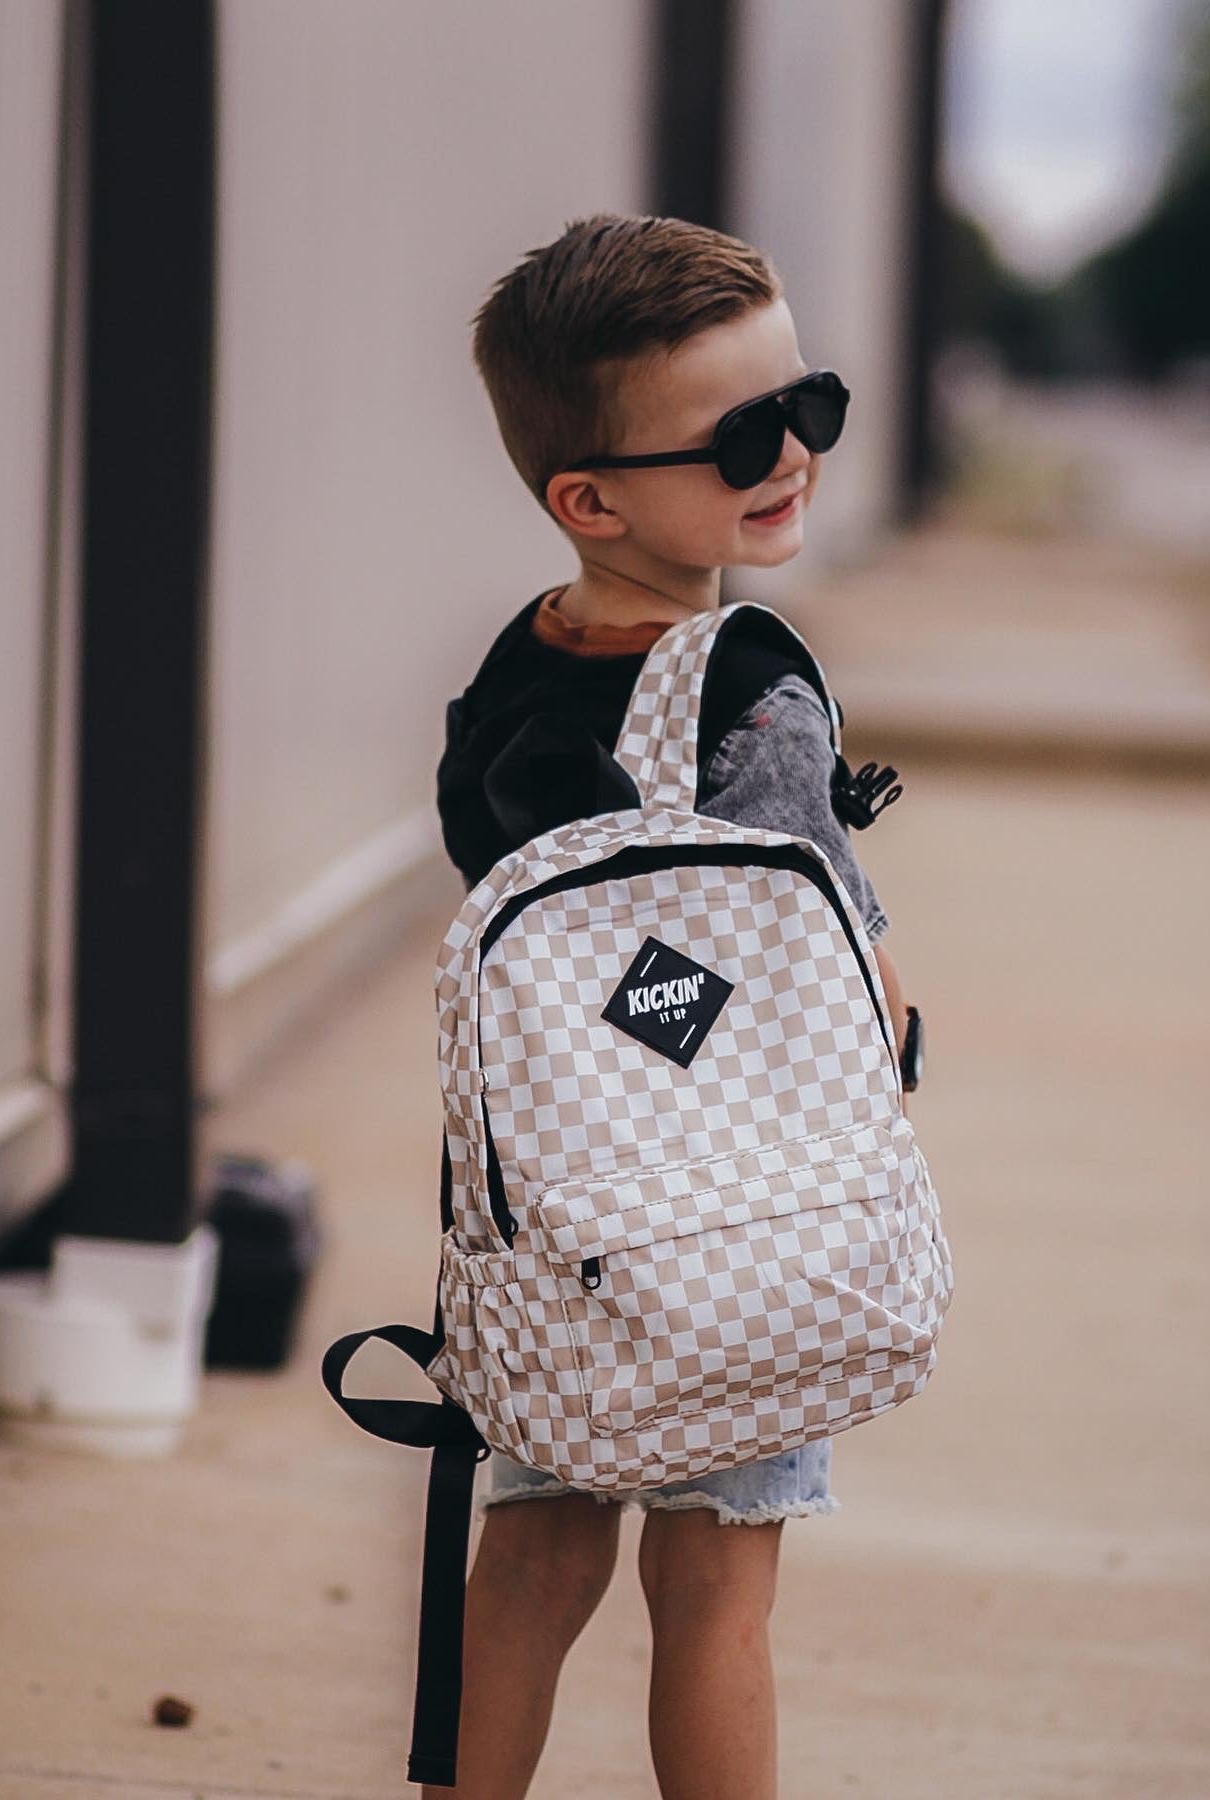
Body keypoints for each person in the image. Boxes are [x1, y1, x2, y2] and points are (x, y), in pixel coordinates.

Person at [427, 212, 912, 1800]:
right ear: (591, 495)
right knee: (716, 1597)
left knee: (536, 1555)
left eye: (811, 409)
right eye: (748, 436)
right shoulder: (752, 679)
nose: (794, 456)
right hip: (745, 1231)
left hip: (567, 1227)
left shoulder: (513, 673)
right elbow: (846, 972)